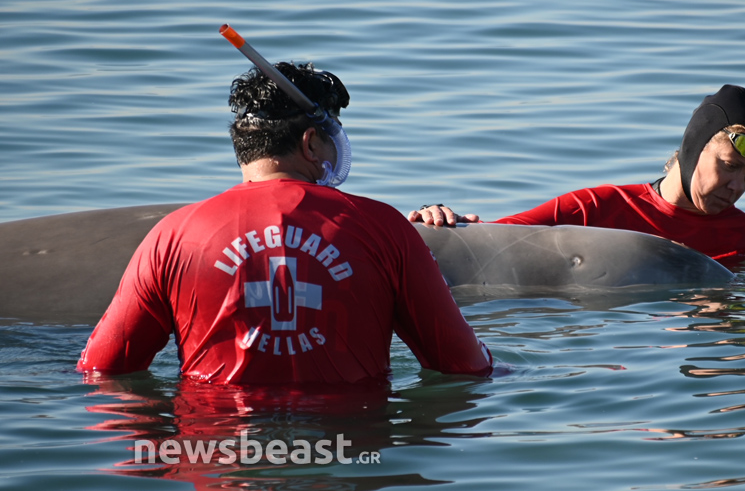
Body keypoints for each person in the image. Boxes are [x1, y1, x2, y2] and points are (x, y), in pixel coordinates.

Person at [77, 62, 492, 384]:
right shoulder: (385, 228)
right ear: (311, 143)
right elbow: (464, 366)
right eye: (334, 135)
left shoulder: (171, 236)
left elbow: (103, 370)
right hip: (348, 455)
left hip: (220, 458)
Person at [408, 84, 745, 261]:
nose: (736, 187)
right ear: (694, 147)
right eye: (730, 167)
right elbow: (492, 243)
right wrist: (440, 221)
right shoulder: (594, 209)